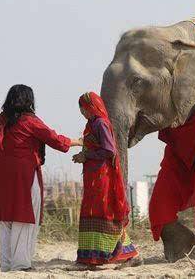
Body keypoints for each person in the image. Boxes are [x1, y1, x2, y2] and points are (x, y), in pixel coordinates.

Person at [0, 84, 83, 272]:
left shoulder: (0, 120)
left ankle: (7, 264)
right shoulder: (30, 121)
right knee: (24, 215)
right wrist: (77, 141)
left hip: (1, 173)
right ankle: (21, 264)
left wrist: (8, 157)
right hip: (24, 173)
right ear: (29, 100)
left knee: (6, 218)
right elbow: (55, 140)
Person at [72, 92, 139, 269]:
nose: (81, 112)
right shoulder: (92, 124)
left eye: (83, 108)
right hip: (94, 176)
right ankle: (110, 255)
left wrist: (86, 156)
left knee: (104, 212)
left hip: (102, 176)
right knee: (95, 212)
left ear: (91, 107)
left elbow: (109, 150)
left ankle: (101, 257)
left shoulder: (100, 123)